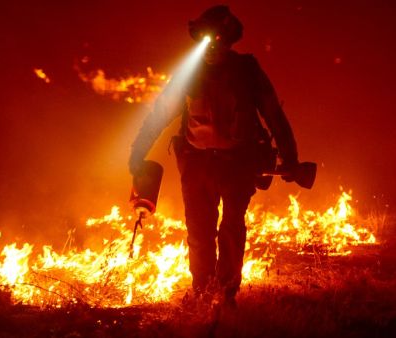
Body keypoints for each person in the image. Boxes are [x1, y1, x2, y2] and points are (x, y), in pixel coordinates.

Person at [128, 5, 299, 305]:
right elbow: (160, 114)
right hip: (196, 164)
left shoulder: (247, 71)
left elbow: (273, 114)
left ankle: (228, 293)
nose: (209, 47)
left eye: (216, 38)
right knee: (199, 233)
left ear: (229, 40)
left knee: (232, 229)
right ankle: (203, 292)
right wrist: (138, 151)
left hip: (237, 164)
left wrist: (291, 158)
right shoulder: (188, 75)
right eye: (204, 39)